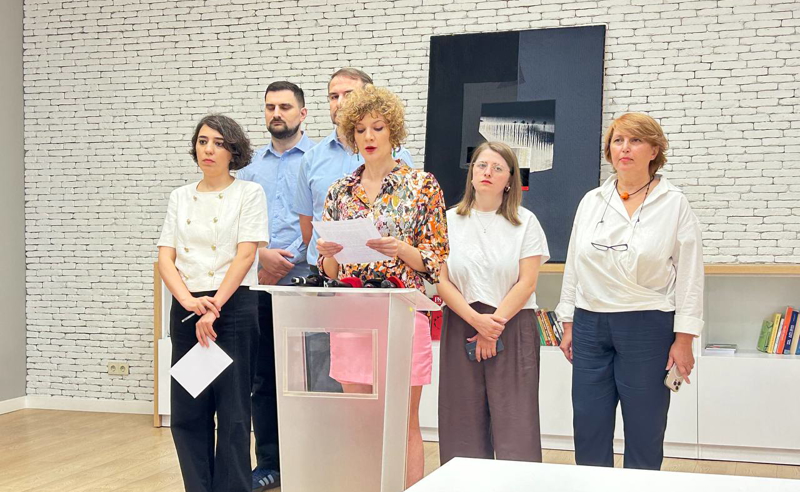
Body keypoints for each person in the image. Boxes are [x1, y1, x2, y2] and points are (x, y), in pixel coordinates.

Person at [315, 85, 448, 488]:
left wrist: (400, 249)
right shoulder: (340, 191)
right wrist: (329, 253)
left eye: (378, 127)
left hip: (402, 312)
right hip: (352, 315)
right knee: (359, 421)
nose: (369, 137)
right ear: (351, 137)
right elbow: (330, 271)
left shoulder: (422, 185)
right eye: (360, 130)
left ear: (394, 131)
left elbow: (435, 261)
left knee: (404, 421)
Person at [555, 112, 704, 470]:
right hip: (590, 323)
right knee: (588, 425)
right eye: (618, 140)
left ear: (654, 150)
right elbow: (574, 263)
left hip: (647, 324)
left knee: (645, 428)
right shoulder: (592, 200)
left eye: (635, 140)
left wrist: (684, 339)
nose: (625, 148)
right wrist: (568, 321)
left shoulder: (674, 203)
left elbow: (690, 274)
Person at [157, 114, 268, 491]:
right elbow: (165, 257)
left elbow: (246, 255)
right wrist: (189, 301)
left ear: (233, 151)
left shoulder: (249, 193)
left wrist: (214, 305)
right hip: (187, 308)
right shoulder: (180, 196)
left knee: (233, 412)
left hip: (233, 307)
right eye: (203, 141)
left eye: (219, 143)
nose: (209, 149)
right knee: (188, 410)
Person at [292, 68, 414, 392]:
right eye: (333, 96)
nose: (340, 102)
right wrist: (332, 255)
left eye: (349, 94)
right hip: (328, 282)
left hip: (383, 287)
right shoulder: (312, 159)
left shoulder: (401, 159)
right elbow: (308, 227)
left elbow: (408, 225)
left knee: (383, 387)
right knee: (324, 379)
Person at [436, 141, 549, 465]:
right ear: (472, 174)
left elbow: (527, 282)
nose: (488, 172)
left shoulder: (525, 222)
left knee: (516, 424)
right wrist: (477, 322)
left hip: (512, 325)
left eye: (498, 168)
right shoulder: (447, 221)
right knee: (461, 422)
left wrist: (492, 327)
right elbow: (441, 280)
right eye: (482, 165)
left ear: (510, 179)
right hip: (462, 322)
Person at [236, 81, 314, 491]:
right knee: (263, 378)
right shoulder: (250, 168)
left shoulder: (318, 159)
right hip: (260, 284)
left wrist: (291, 256)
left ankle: (313, 460)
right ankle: (270, 462)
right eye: (270, 107)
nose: (276, 114)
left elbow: (323, 216)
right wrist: (262, 256)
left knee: (312, 377)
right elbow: (240, 222)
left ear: (303, 113)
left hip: (308, 284)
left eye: (285, 106)